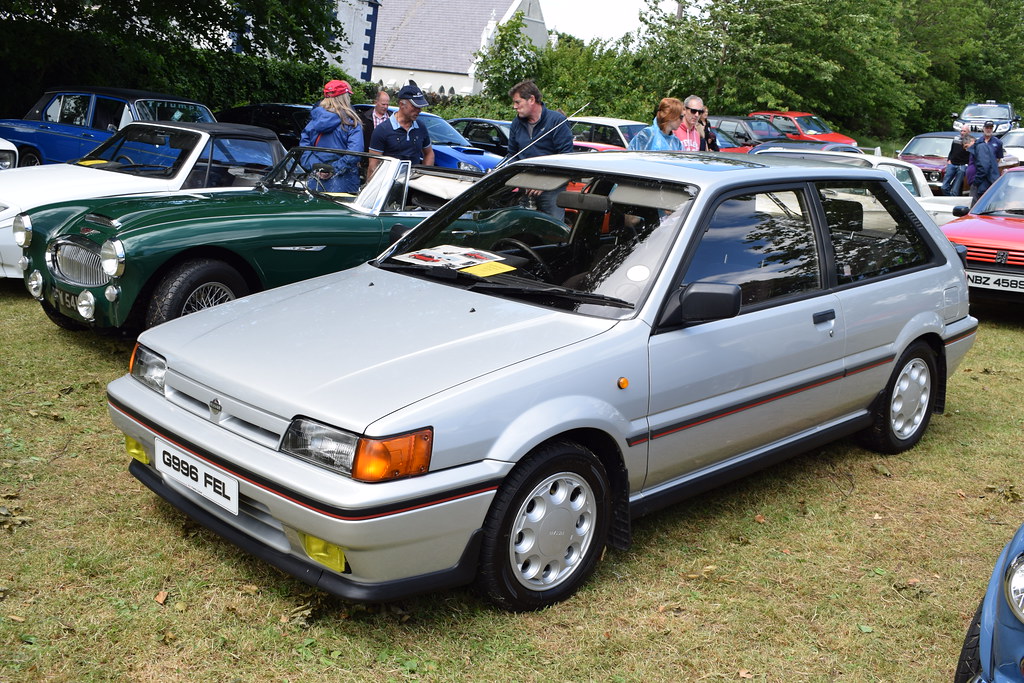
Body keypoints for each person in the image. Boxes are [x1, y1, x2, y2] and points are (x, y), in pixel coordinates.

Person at [503, 80, 574, 219]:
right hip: (525, 188)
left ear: (531, 99)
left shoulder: (556, 121)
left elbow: (566, 158)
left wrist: (544, 183)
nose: (514, 107)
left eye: (518, 102)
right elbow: (512, 155)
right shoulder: (516, 123)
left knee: (553, 228)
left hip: (552, 190)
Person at [298, 79, 363, 193]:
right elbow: (355, 153)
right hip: (344, 182)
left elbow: (304, 150)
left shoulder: (313, 122)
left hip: (316, 181)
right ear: (345, 98)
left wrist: (318, 168)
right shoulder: (352, 123)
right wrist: (333, 169)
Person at [367, 81, 433, 176]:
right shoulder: (382, 130)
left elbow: (429, 153)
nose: (419, 110)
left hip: (415, 186)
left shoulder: (421, 127)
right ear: (402, 104)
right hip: (389, 184)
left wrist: (425, 176)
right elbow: (373, 165)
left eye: (420, 107)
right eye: (415, 106)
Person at [965, 133, 999, 205]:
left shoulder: (980, 147)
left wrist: (976, 182)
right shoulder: (979, 148)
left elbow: (984, 167)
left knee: (974, 209)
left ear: (972, 142)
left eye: (966, 146)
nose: (967, 149)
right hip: (980, 185)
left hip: (981, 185)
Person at [941, 127, 972, 196]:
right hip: (952, 163)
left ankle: (953, 200)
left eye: (964, 131)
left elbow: (972, 154)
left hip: (962, 165)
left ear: (968, 132)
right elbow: (952, 150)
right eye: (961, 131)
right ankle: (949, 198)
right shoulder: (956, 139)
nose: (962, 132)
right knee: (944, 187)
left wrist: (967, 164)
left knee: (956, 189)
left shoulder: (971, 141)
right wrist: (949, 159)